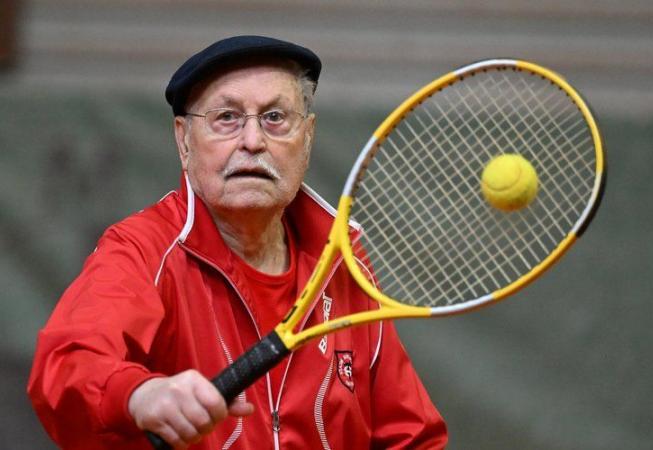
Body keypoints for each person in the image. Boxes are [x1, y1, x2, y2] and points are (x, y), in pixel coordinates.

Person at [27, 35, 447, 450]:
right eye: (226, 117)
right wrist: (139, 395)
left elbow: (411, 436)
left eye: (275, 118)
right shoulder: (142, 250)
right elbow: (66, 367)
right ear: (184, 141)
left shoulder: (341, 261)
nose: (252, 141)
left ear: (308, 138)